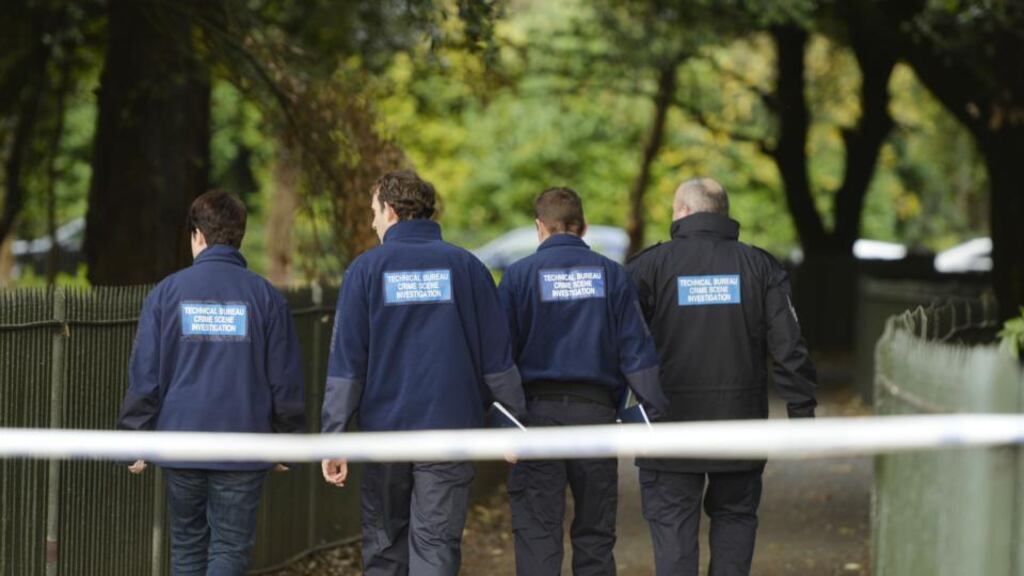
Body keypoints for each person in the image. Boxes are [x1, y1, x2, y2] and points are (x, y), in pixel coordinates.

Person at [320, 170, 526, 576]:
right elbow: (496, 359)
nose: (372, 222)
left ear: (391, 211)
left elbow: (347, 364)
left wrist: (335, 434)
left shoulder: (364, 271)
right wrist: (513, 422)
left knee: (384, 547)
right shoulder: (468, 268)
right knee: (436, 547)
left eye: (374, 212)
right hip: (449, 433)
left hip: (385, 435)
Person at [625, 178, 818, 576]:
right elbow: (789, 346)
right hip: (740, 425)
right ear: (723, 213)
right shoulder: (759, 265)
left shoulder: (648, 267)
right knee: (735, 519)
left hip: (666, 428)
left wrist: (620, 407)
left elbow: (621, 345)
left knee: (673, 527)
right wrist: (802, 412)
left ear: (682, 212)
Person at [117, 189, 306, 576]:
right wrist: (287, 437)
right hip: (243, 443)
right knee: (230, 549)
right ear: (238, 235)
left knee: (186, 546)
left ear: (197, 236)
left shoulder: (166, 294)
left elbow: (146, 372)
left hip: (180, 442)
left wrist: (135, 434)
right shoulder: (265, 296)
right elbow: (283, 377)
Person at [496, 187, 669, 576]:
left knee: (538, 533)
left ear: (539, 228)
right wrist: (649, 416)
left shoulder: (518, 277)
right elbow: (638, 354)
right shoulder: (613, 276)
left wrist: (506, 422)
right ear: (584, 227)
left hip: (534, 419)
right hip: (596, 418)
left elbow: (498, 358)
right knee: (594, 534)